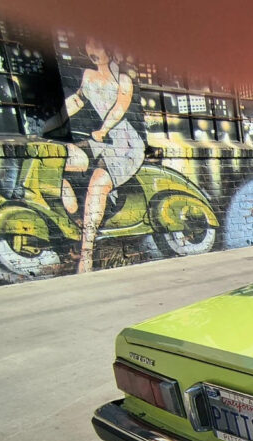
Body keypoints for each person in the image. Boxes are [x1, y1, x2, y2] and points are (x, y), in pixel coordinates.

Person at [58, 40, 145, 272]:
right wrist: (53, 121)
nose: (93, 50)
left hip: (125, 144)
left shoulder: (123, 78)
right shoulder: (87, 76)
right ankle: (77, 215)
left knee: (97, 184)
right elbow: (76, 101)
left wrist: (104, 129)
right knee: (58, 162)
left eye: (98, 44)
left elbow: (120, 107)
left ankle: (86, 255)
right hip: (99, 142)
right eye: (88, 44)